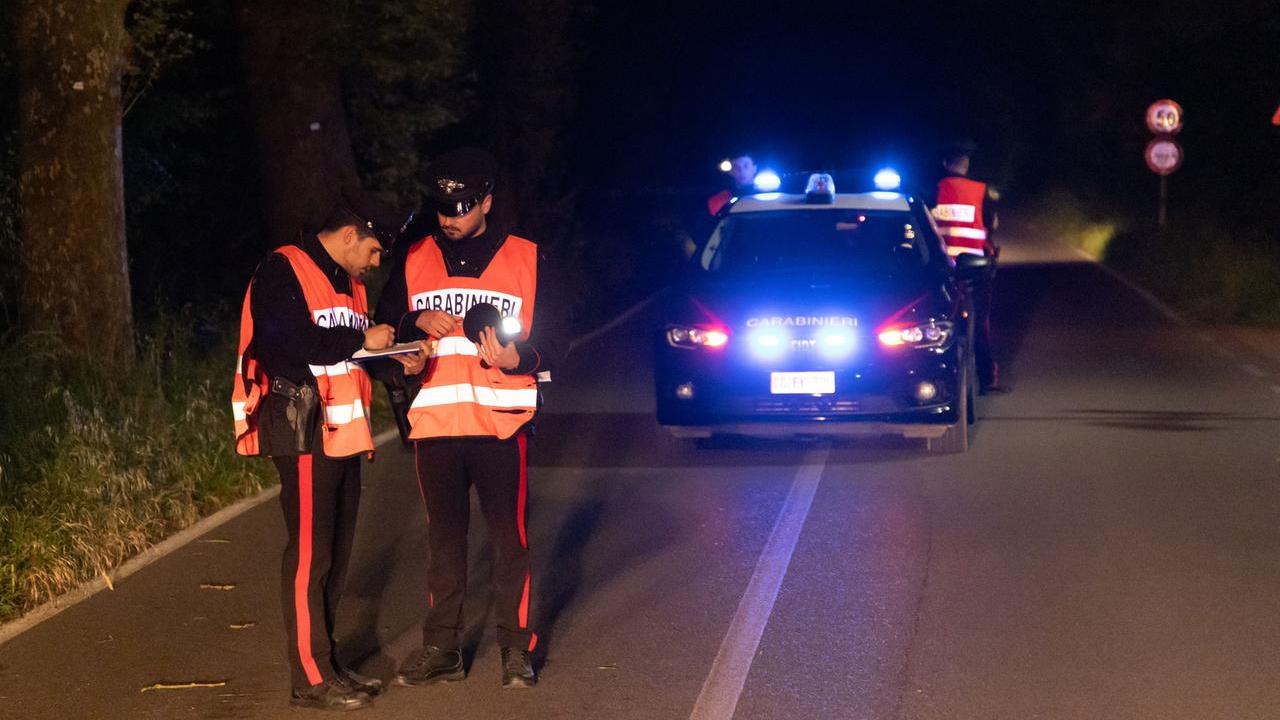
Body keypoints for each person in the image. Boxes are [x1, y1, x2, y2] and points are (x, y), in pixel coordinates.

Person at [375, 147, 567, 689]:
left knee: (510, 539)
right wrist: (412, 320)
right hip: (436, 425)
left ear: (486, 201)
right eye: (441, 208)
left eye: (460, 208)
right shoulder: (413, 258)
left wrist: (519, 359)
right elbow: (385, 330)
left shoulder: (528, 257)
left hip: (502, 425)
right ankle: (442, 649)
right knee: (444, 540)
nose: (448, 219)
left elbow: (557, 340)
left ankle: (515, 649)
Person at [231, 189, 423, 711]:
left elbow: (353, 357)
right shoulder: (282, 269)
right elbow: (286, 346)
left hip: (342, 432)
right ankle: (309, 677)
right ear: (348, 236)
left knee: (335, 556)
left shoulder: (350, 285)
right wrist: (365, 345)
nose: (377, 261)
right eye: (375, 249)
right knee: (310, 556)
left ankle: (328, 662)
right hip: (302, 429)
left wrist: (394, 359)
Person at [932, 143, 1006, 393]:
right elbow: (992, 224)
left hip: (940, 270)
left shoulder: (930, 191)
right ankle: (986, 378)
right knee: (980, 322)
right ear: (967, 165)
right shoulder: (980, 190)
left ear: (944, 164)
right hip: (975, 268)